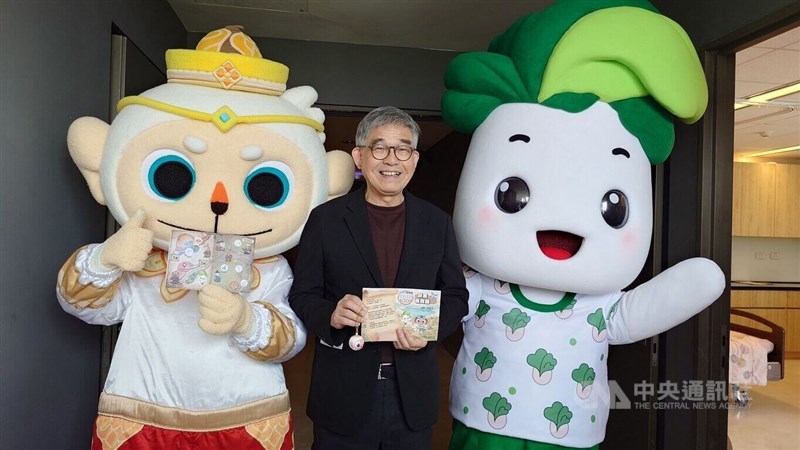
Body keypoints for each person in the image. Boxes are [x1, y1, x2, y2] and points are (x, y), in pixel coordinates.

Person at [289, 106, 469, 449]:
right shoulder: (325, 220)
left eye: (403, 149)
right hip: (342, 391)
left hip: (411, 395)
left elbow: (457, 295)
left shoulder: (437, 222)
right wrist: (331, 313)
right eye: (379, 147)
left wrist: (429, 333)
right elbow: (302, 293)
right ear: (359, 156)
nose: (391, 159)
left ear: (414, 159)